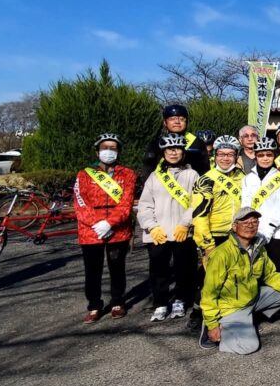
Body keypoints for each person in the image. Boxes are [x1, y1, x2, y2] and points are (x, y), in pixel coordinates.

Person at [199, 207, 280, 355]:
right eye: (245, 222)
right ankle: (215, 327)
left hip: (251, 299)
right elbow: (208, 293)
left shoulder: (258, 248)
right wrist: (212, 324)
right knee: (249, 346)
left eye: (254, 222)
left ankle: (249, 320)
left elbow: (270, 275)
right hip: (231, 309)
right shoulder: (222, 254)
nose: (250, 225)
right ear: (234, 226)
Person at [73, 133, 138, 323]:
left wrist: (110, 223)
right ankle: (94, 305)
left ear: (118, 152)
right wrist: (96, 223)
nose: (108, 152)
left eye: (113, 148)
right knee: (92, 270)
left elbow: (126, 203)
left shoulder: (127, 174)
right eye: (104, 148)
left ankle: (118, 301)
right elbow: (79, 202)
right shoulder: (84, 174)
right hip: (90, 229)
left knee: (117, 267)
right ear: (97, 151)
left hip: (117, 228)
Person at [137, 133, 199, 321]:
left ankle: (181, 299)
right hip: (159, 232)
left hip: (182, 230)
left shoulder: (192, 174)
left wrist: (185, 223)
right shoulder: (155, 177)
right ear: (163, 153)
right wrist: (151, 226)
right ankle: (160, 302)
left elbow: (196, 203)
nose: (173, 153)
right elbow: (145, 205)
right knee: (158, 270)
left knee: (184, 268)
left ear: (183, 152)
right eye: (169, 149)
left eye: (177, 149)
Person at [190, 135, 242, 329]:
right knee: (208, 277)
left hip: (237, 235)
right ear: (215, 156)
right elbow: (199, 215)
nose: (225, 158)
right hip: (215, 236)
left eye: (230, 154)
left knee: (232, 276)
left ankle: (228, 311)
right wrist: (207, 244)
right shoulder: (206, 180)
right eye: (221, 154)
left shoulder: (242, 178)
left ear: (236, 156)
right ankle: (198, 312)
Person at [240, 137, 280, 276]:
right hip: (253, 230)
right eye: (261, 155)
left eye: (269, 155)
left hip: (276, 231)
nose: (265, 158)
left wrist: (270, 227)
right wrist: (251, 226)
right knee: (255, 268)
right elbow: (246, 204)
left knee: (277, 268)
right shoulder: (248, 178)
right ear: (255, 156)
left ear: (274, 156)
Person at [142, 104, 209, 178]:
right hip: (162, 184)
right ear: (165, 122)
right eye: (172, 119)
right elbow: (148, 169)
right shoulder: (156, 143)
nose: (177, 122)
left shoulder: (197, 143)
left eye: (181, 119)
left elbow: (205, 169)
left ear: (186, 122)